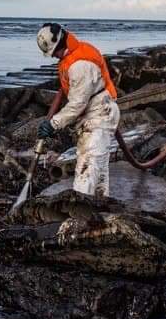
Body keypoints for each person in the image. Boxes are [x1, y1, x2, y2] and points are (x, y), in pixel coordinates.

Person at [35, 23, 120, 197]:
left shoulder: (79, 65)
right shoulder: (75, 53)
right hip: (98, 113)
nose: (54, 57)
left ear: (60, 44)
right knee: (99, 175)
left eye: (54, 53)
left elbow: (77, 105)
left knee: (86, 172)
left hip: (99, 117)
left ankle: (80, 216)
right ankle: (100, 210)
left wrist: (53, 124)